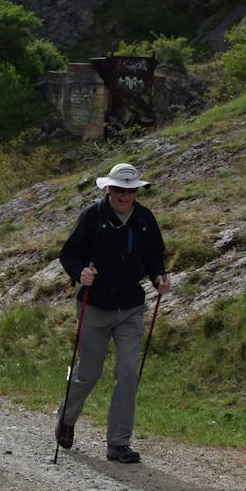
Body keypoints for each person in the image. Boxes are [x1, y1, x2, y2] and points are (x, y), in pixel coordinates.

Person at [56, 163, 170, 463]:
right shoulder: (93, 216)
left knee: (129, 370)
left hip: (131, 306)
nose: (124, 196)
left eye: (130, 190)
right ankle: (66, 419)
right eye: (119, 190)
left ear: (136, 191)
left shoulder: (145, 219)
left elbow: (155, 255)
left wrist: (159, 276)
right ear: (109, 189)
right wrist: (80, 272)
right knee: (89, 373)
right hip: (94, 304)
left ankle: (118, 443)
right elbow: (69, 253)